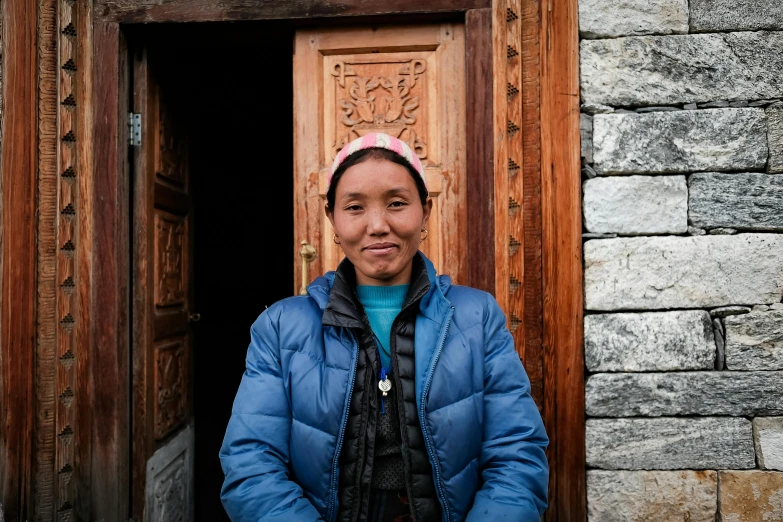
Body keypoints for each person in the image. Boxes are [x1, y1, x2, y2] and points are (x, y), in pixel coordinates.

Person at [219, 133, 549, 522]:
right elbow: (251, 463)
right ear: (332, 219)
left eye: (396, 203)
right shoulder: (280, 328)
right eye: (355, 207)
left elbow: (517, 453)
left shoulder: (476, 318)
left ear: (425, 211)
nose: (377, 225)